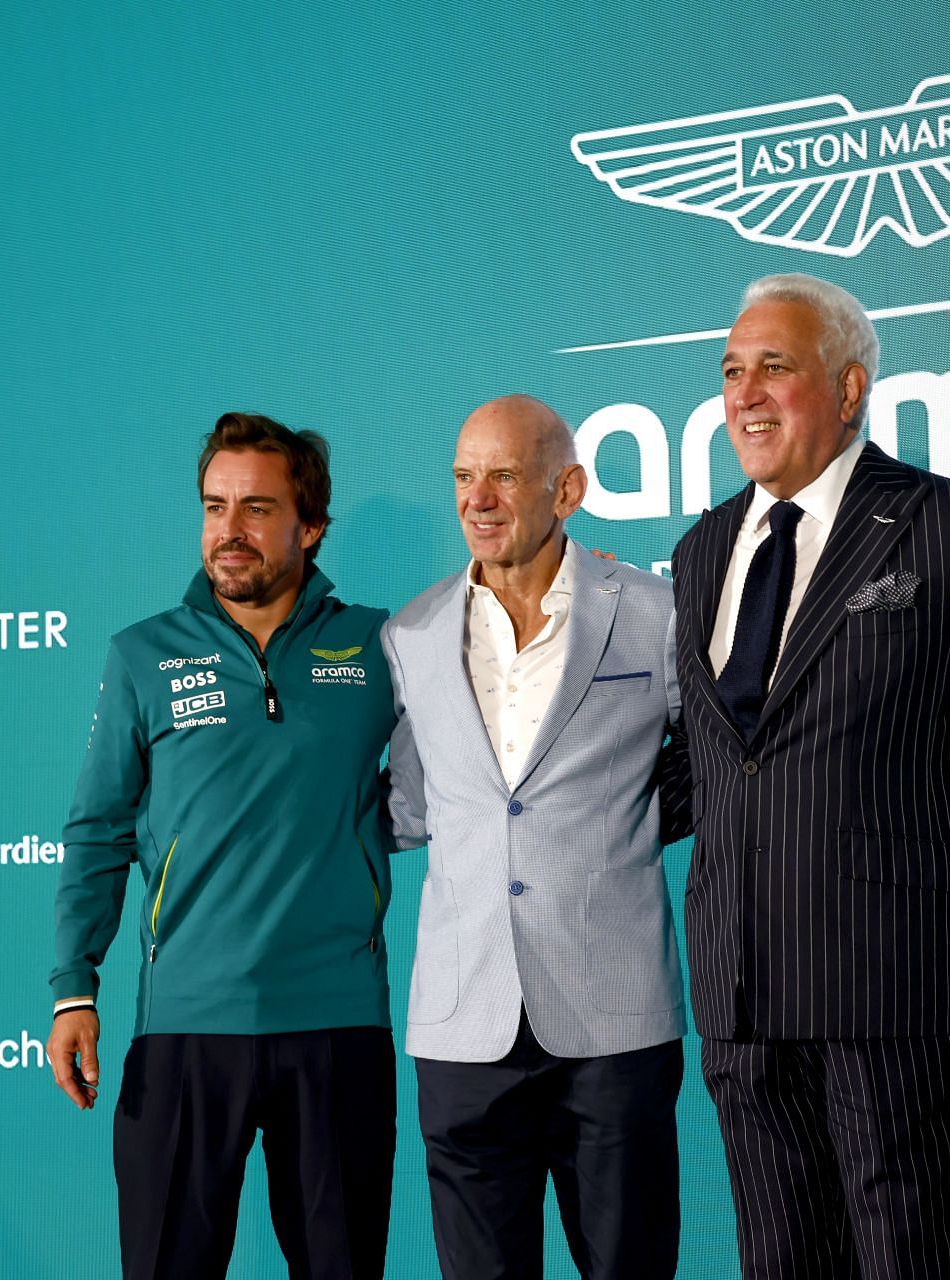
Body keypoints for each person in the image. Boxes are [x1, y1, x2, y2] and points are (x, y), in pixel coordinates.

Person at [670, 274, 950, 1278]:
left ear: (851, 386)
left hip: (901, 994)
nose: (746, 393)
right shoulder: (700, 551)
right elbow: (709, 759)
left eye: (775, 367)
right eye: (733, 371)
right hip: (743, 997)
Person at [46, 413, 397, 1280]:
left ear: (309, 527)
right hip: (187, 1029)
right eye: (214, 506)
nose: (228, 531)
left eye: (256, 508)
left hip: (339, 1023)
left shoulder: (386, 644)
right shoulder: (142, 653)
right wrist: (72, 989)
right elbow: (98, 829)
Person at [382, 394, 689, 1280]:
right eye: (463, 477)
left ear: (568, 489)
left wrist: (624, 822)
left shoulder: (653, 612)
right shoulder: (413, 633)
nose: (478, 497)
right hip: (462, 1027)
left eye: (504, 476)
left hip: (614, 1017)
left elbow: (711, 762)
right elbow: (411, 801)